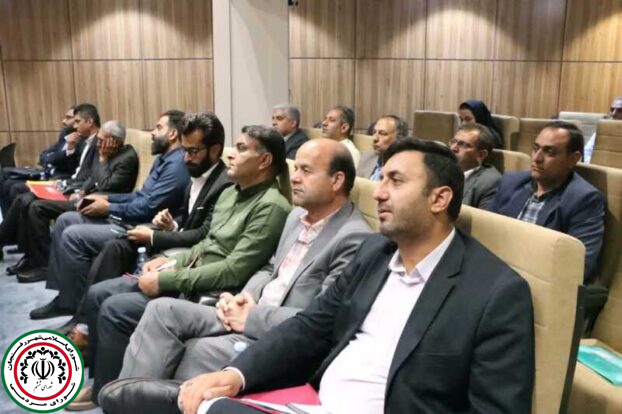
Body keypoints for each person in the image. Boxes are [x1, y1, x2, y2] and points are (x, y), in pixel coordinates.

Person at [106, 138, 535, 414]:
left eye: (395, 181)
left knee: (209, 410)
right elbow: (312, 328)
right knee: (208, 397)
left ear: (439, 199)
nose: (379, 192)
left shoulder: (495, 292)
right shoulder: (375, 253)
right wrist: (236, 375)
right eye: (381, 178)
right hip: (312, 400)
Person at [67, 125, 292, 410]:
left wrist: (167, 280)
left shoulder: (271, 206)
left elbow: (234, 269)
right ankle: (103, 380)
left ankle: (110, 392)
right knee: (100, 293)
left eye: (241, 149)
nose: (231, 155)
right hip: (190, 275)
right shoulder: (230, 193)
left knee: (116, 308)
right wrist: (171, 263)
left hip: (212, 293)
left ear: (264, 161)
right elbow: (205, 244)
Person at [113, 139, 370, 386]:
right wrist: (245, 297)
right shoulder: (297, 216)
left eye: (306, 171)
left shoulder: (354, 238)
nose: (294, 178)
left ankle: (139, 400)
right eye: (296, 169)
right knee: (161, 310)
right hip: (250, 310)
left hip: (283, 336)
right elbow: (270, 267)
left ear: (337, 180)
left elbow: (322, 320)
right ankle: (124, 399)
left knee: (197, 350)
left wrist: (251, 316)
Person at [60, 112, 233, 343]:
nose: (186, 158)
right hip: (172, 239)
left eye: (193, 151)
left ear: (214, 150)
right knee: (116, 248)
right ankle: (84, 325)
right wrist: (171, 224)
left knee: (112, 256)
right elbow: (186, 218)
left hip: (187, 256)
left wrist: (153, 236)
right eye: (184, 150)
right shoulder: (195, 170)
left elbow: (204, 235)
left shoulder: (224, 184)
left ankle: (86, 329)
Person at [28, 110, 189, 314]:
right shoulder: (162, 159)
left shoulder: (176, 166)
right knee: (65, 220)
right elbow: (139, 195)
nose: (153, 132)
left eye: (158, 127)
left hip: (139, 225)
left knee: (72, 235)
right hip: (129, 215)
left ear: (172, 134)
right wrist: (107, 199)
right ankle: (66, 297)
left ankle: (77, 305)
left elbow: (148, 208)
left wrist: (108, 207)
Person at [491, 121, 605, 282]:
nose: (537, 158)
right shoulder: (511, 182)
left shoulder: (584, 198)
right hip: (496, 269)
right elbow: (486, 232)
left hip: (538, 281)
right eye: (535, 148)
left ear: (573, 159)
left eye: (549, 152)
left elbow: (581, 265)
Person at [0, 103, 101, 272]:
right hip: (68, 185)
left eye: (77, 121)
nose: (74, 125)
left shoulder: (98, 142)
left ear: (89, 122)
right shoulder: (82, 141)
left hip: (76, 191)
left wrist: (71, 187)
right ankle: (30, 256)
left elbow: (92, 176)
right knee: (23, 198)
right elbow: (51, 159)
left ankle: (41, 262)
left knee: (32, 204)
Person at [449, 124, 501, 209]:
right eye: (453, 142)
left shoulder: (490, 182)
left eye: (462, 144)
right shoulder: (441, 168)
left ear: (481, 155)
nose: (453, 148)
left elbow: (482, 216)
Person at [358, 115, 408, 181]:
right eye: (374, 132)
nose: (375, 138)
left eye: (382, 133)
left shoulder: (405, 168)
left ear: (399, 139)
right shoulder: (367, 158)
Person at [583, 95, 622, 163]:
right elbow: (587, 152)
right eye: (612, 110)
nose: (613, 114)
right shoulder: (603, 128)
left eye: (620, 110)